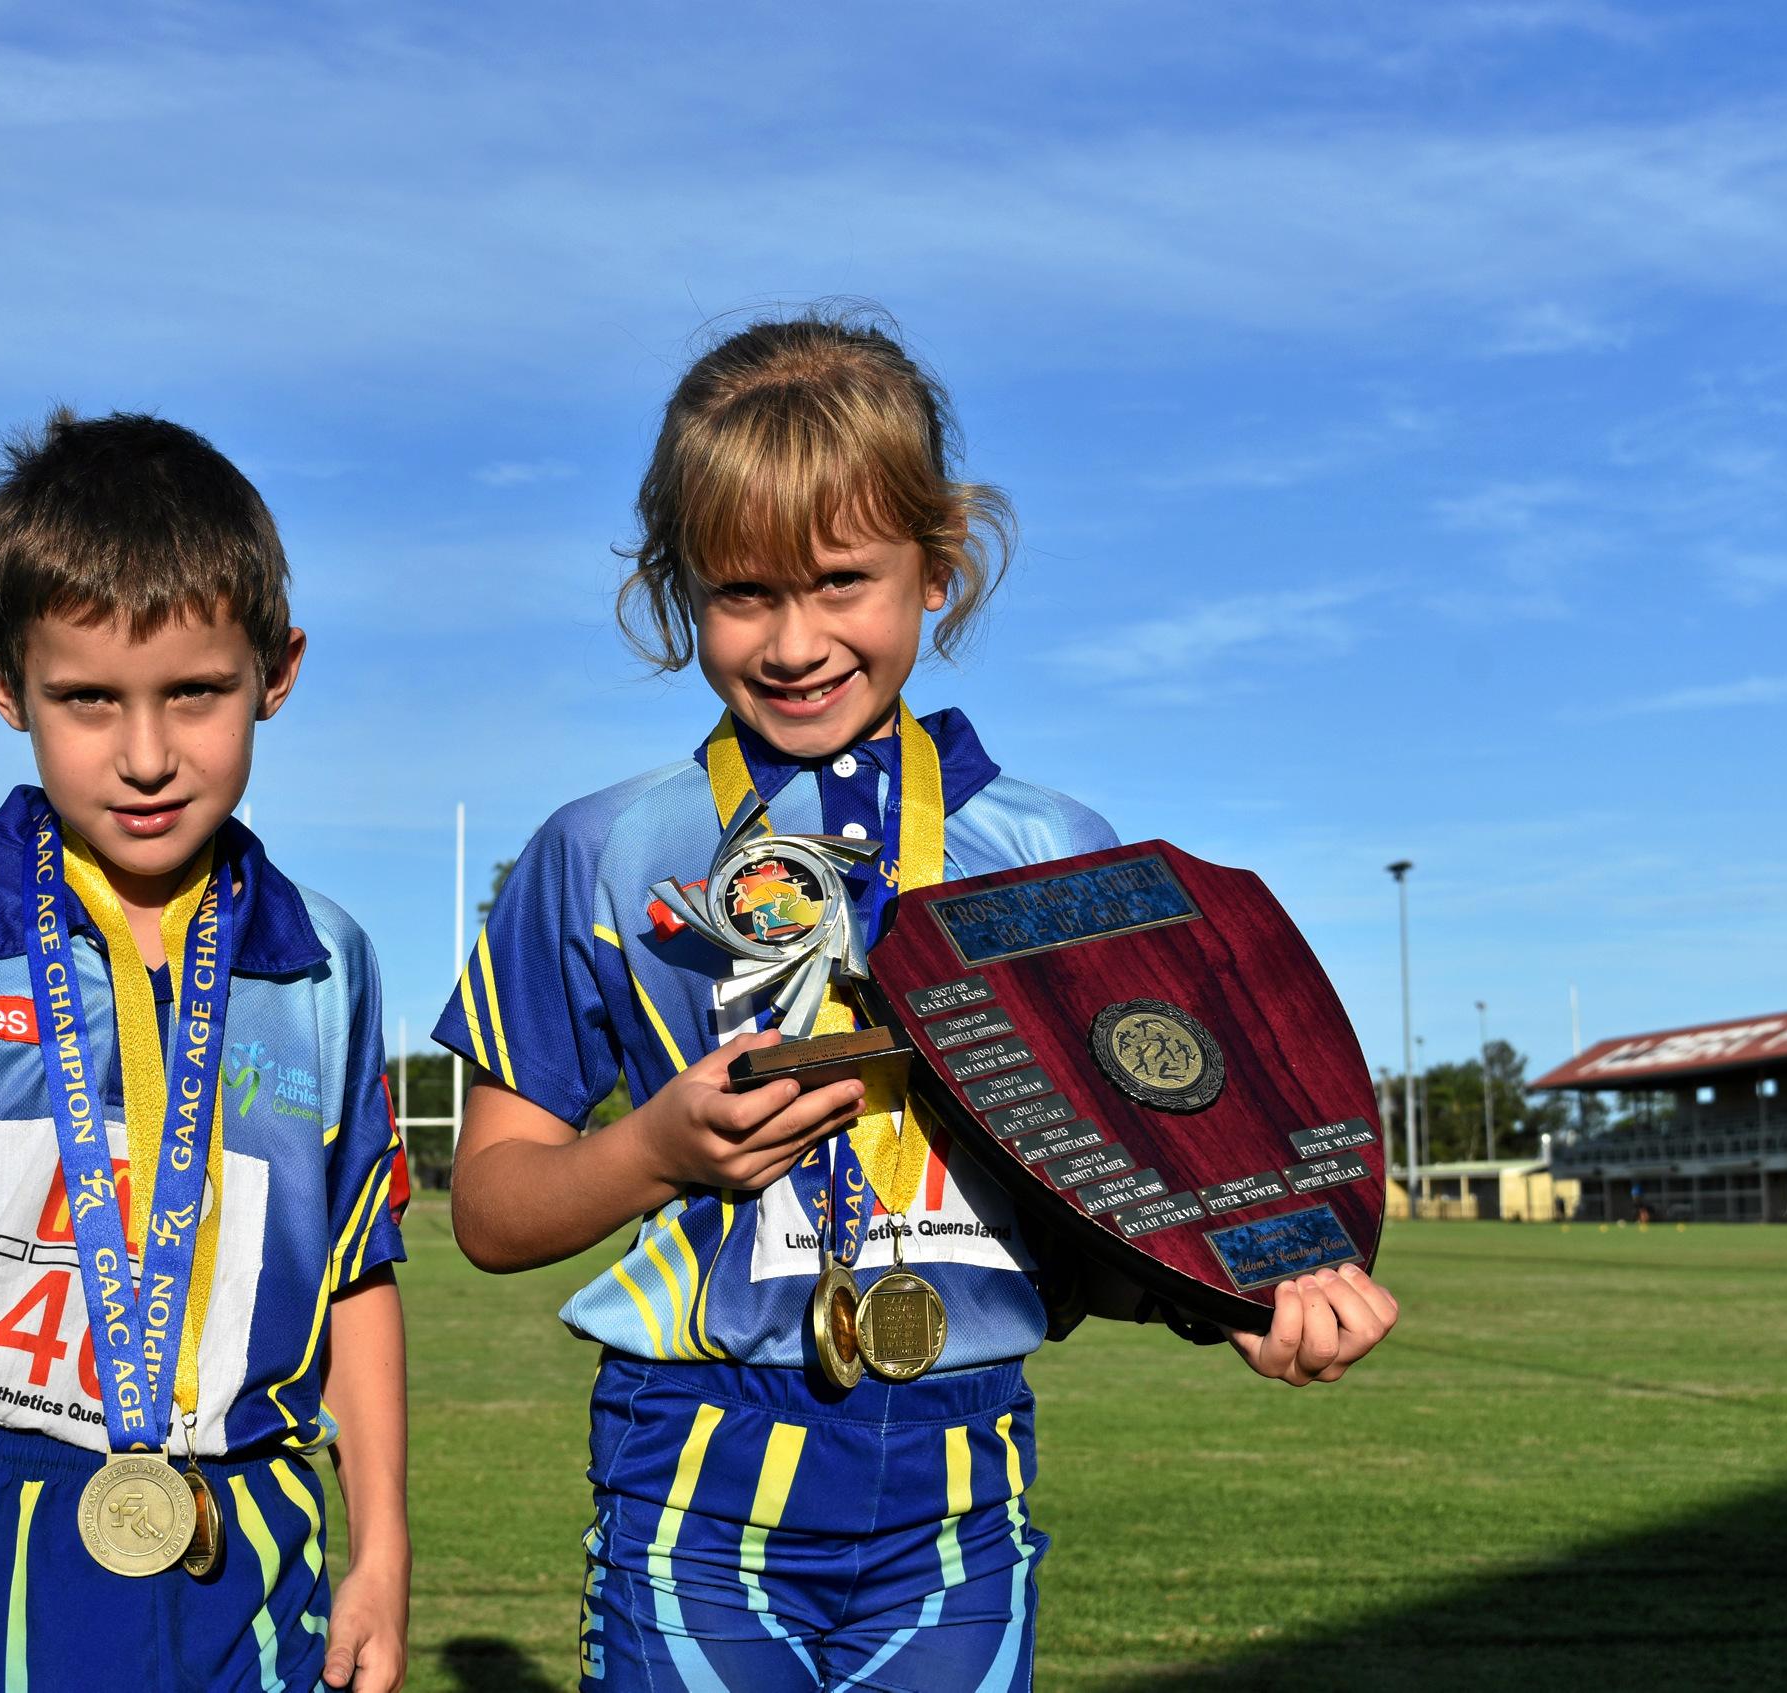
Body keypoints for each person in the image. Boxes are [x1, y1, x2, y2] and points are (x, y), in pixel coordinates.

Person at [439, 310, 1400, 1693]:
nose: (791, 640)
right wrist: (649, 1151)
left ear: (938, 567)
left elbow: (1122, 1188)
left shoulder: (1058, 854)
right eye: (740, 592)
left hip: (961, 1483)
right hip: (693, 1478)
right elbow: (489, 1208)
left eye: (840, 580)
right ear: (673, 590)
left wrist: (1247, 1296)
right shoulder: (595, 852)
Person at [0, 410, 410, 1693]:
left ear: (278, 669)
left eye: (197, 693)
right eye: (89, 699)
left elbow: (358, 1283)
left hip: (249, 1536)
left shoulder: (325, 962)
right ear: (6, 683)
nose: (149, 754)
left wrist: (381, 1546)